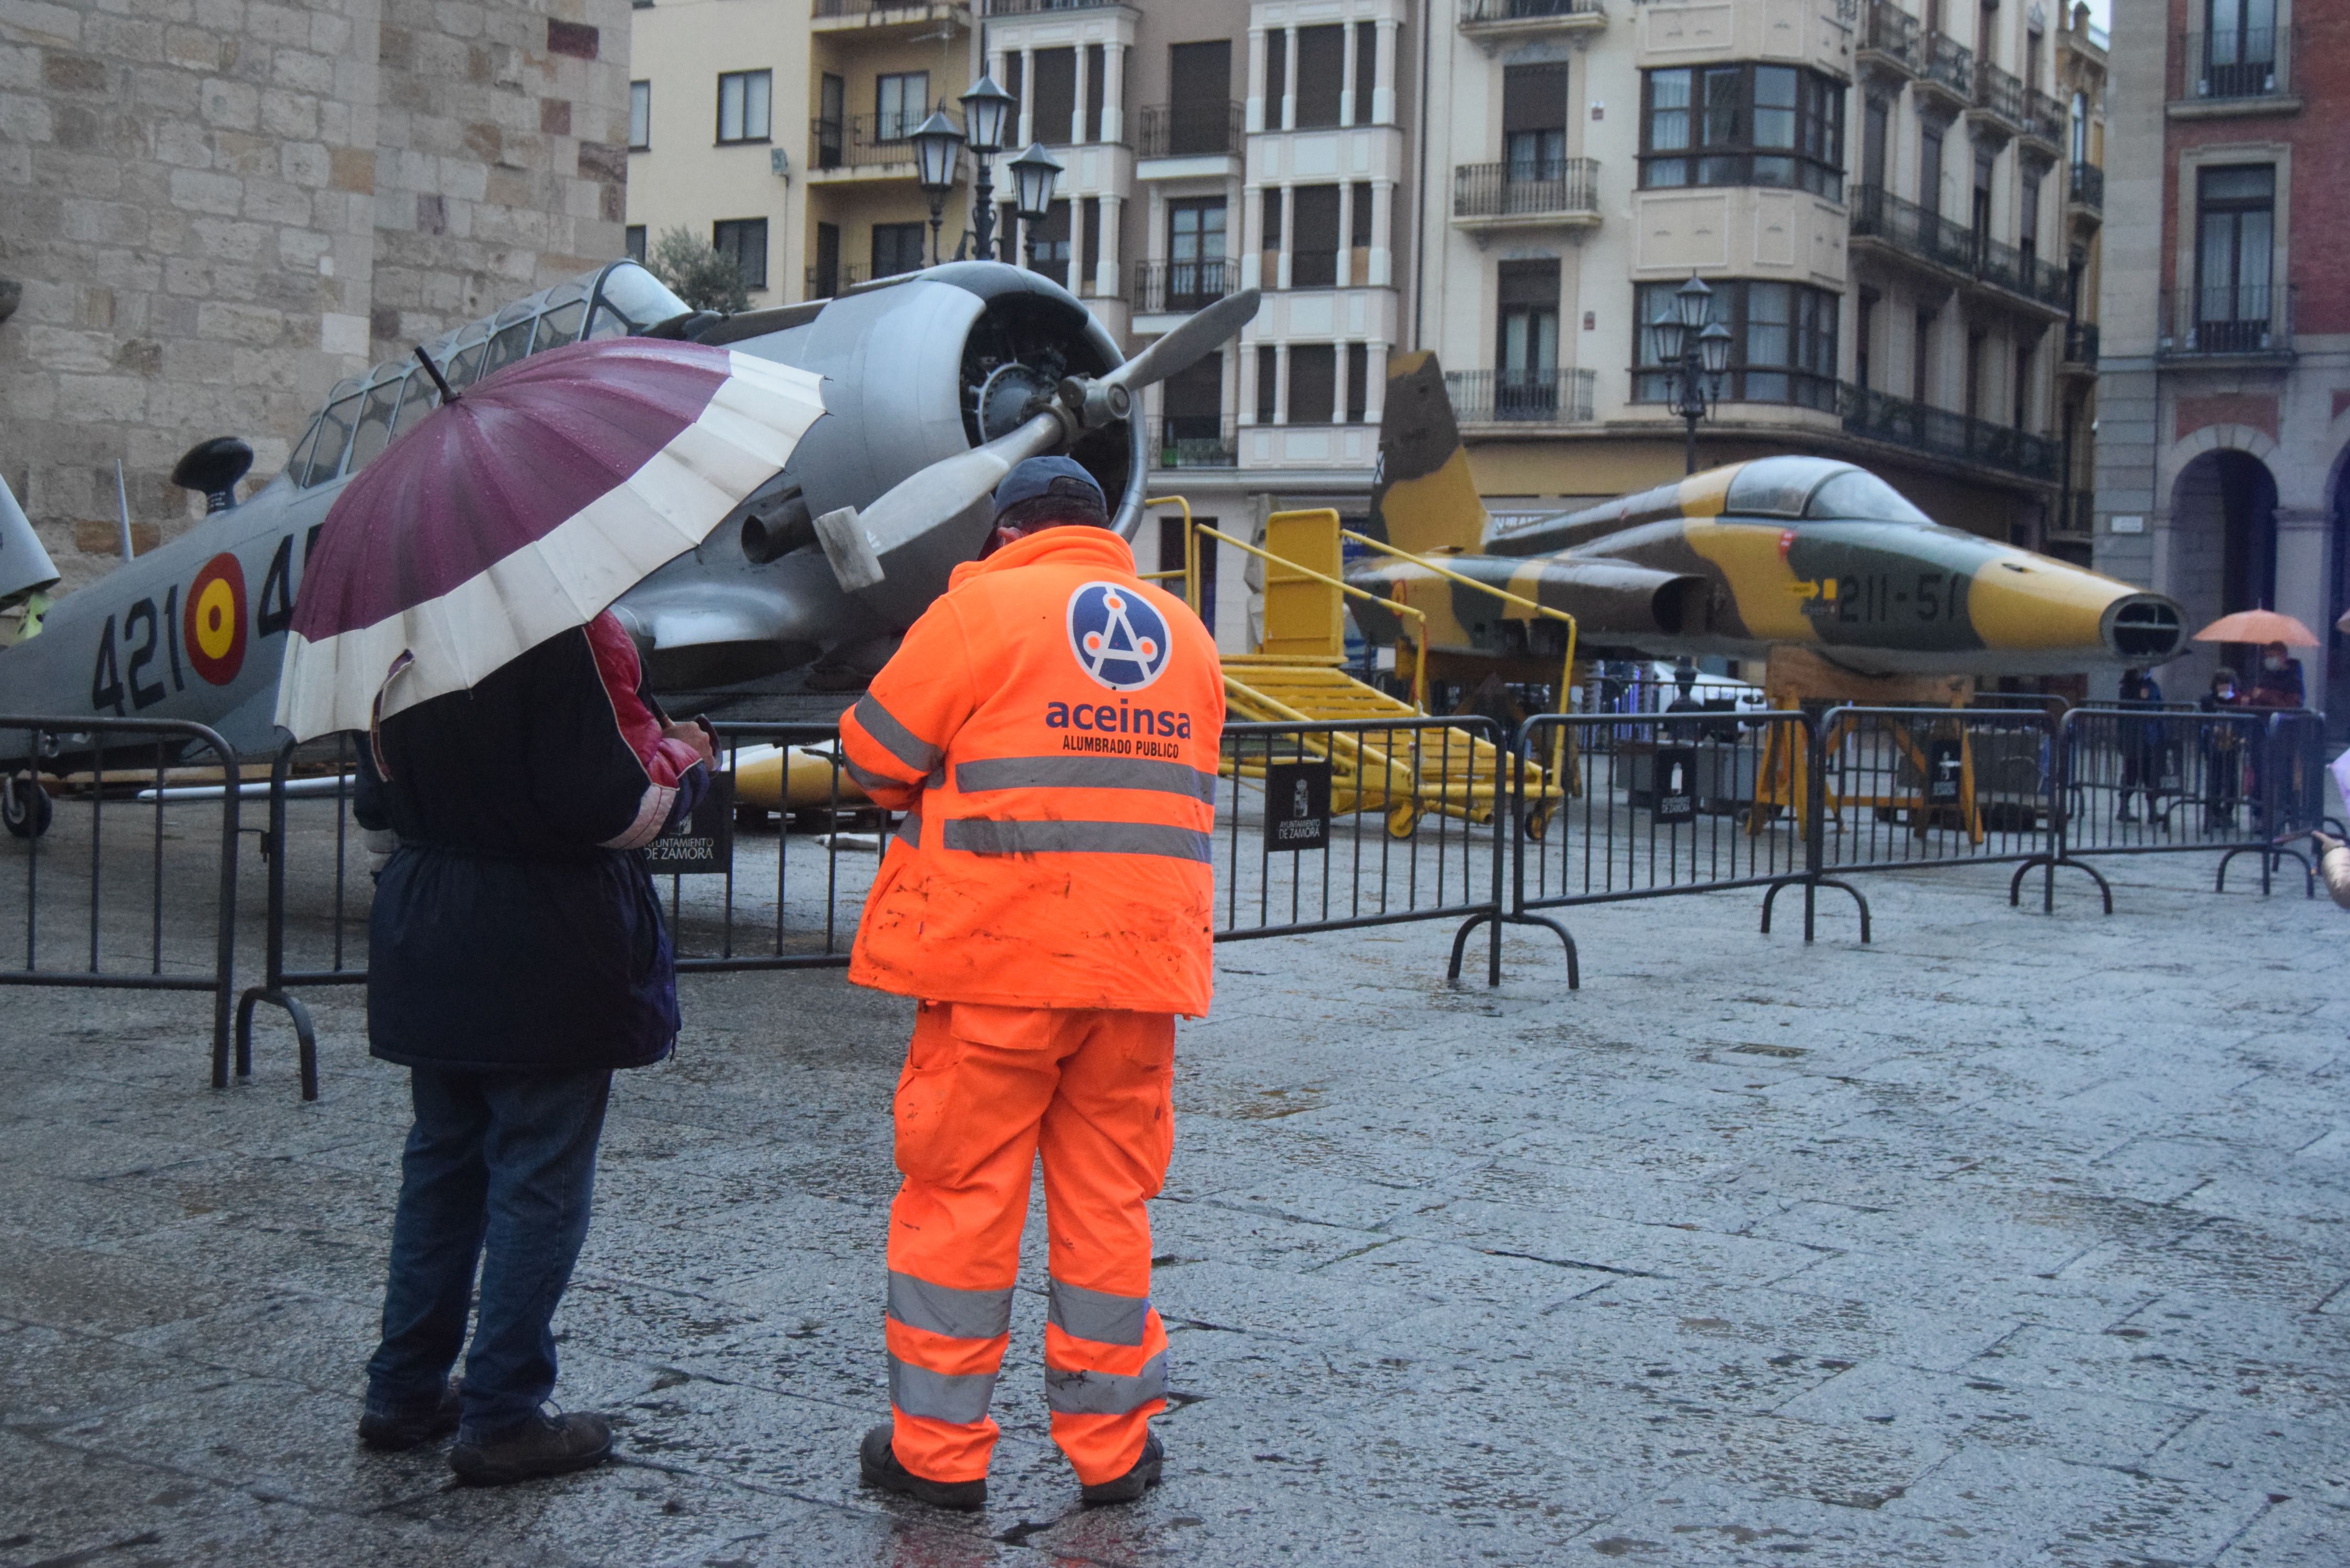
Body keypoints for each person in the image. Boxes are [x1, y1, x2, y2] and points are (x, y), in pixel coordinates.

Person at [839, 456, 1224, 1513]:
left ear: (1007, 531)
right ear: (1101, 530)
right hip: (1139, 969)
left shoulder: (983, 612)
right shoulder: (1183, 637)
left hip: (996, 964)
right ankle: (1113, 1451)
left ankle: (939, 1455)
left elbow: (872, 754)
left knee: (962, 1202)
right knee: (1109, 1206)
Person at [352, 612, 712, 1485]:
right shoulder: (569, 633)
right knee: (538, 1177)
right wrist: (687, 759)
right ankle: (505, 1412)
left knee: (441, 1168)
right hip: (544, 934)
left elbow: (375, 799)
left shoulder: (395, 638)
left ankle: (403, 1390)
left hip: (430, 922)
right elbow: (620, 806)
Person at [2115, 667, 2166, 823]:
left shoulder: (2152, 685)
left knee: (2150, 775)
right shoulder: (2129, 686)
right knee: (2131, 774)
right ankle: (2123, 809)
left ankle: (2152, 811)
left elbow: (2159, 707)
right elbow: (2126, 709)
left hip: (2150, 737)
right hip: (2134, 737)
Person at [2198, 666, 2245, 831]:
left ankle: (2228, 812)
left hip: (2231, 746)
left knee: (2231, 781)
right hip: (2213, 746)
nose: (2224, 688)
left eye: (2227, 685)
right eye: (2221, 684)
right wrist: (2212, 728)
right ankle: (2214, 812)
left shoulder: (2238, 700)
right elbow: (2203, 720)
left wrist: (2239, 737)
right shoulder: (2208, 700)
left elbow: (2243, 722)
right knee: (2214, 781)